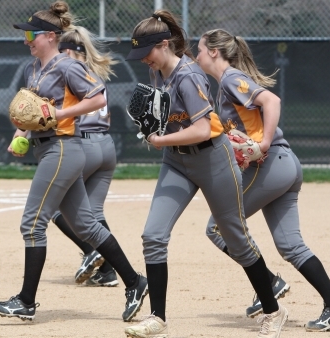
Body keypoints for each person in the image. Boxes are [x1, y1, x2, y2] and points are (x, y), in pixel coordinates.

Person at [123, 11, 288, 338]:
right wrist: (153, 128)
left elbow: (201, 129)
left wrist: (161, 139)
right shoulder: (161, 74)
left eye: (148, 53)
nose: (144, 60)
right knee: (153, 235)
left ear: (165, 44)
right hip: (176, 162)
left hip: (213, 159)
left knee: (236, 240)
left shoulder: (189, 76)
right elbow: (170, 119)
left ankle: (273, 310)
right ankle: (158, 319)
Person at [0, 0, 148, 323]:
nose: (26, 40)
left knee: (32, 223)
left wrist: (60, 114)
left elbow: (99, 97)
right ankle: (134, 281)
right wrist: (23, 134)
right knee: (86, 225)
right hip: (48, 148)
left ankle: (26, 302)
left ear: (49, 35)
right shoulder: (36, 69)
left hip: (63, 148)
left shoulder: (66, 65)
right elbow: (37, 113)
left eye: (31, 34)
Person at [197, 28, 330, 332]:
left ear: (214, 52)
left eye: (200, 49)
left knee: (217, 227)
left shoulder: (230, 78)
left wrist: (264, 142)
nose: (197, 54)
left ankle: (268, 282)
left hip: (270, 163)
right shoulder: (223, 85)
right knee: (290, 245)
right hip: (285, 165)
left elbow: (272, 100)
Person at [53, 26, 120, 287]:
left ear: (68, 52)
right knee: (93, 212)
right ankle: (109, 272)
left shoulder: (69, 74)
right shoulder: (94, 74)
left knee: (57, 208)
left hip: (84, 146)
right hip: (107, 146)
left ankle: (95, 254)